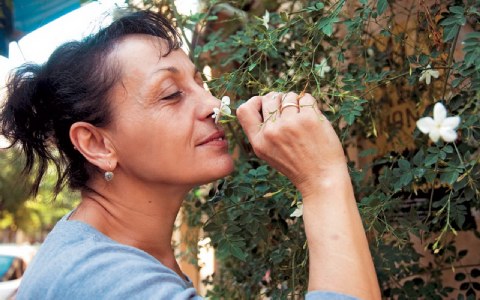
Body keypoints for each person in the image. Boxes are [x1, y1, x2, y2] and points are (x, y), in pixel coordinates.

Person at [0, 10, 380, 300]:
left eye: (201, 83)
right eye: (170, 94)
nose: (214, 105)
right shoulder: (103, 278)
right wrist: (323, 180)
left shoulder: (107, 248)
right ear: (98, 145)